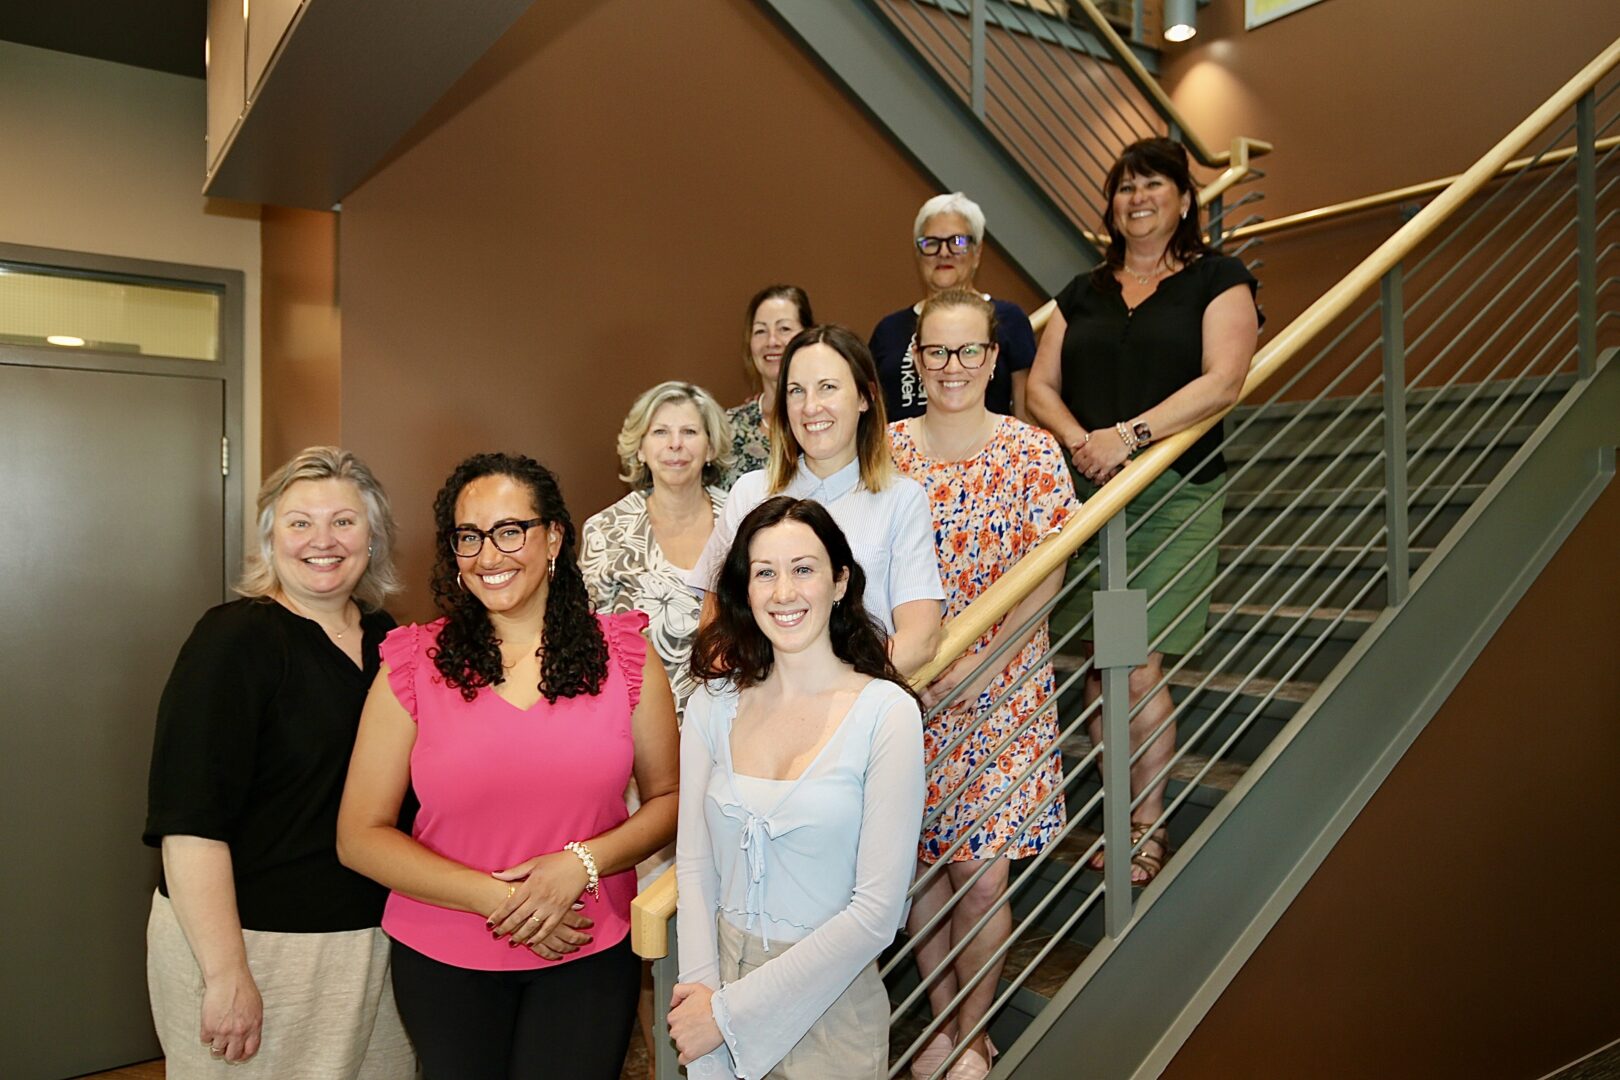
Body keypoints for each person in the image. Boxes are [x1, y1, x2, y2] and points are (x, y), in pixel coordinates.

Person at [336, 452, 680, 1080]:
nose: (489, 555)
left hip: (586, 944)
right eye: (469, 537)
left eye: (509, 530)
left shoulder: (626, 656)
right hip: (443, 952)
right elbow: (359, 835)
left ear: (553, 536)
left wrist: (580, 865)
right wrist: (506, 901)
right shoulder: (412, 663)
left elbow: (669, 801)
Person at [1027, 137, 1261, 886]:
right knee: (1105, 668)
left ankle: (1143, 826)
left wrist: (1129, 438)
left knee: (1131, 668)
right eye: (1125, 187)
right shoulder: (1083, 291)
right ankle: (1120, 813)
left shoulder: (1219, 279)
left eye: (1154, 184)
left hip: (1174, 494)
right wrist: (1080, 444)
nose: (1137, 197)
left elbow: (1225, 380)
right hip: (1091, 500)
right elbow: (1040, 386)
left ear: (1185, 199)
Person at [143, 446, 414, 1076]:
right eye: (300, 523)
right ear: (271, 541)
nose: (323, 540)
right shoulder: (232, 641)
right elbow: (189, 824)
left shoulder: (388, 639)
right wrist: (227, 972)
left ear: (372, 537)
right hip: (255, 946)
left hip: (375, 942)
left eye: (344, 521)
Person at [889, 289, 1079, 1079]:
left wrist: (980, 668)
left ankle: (972, 1033)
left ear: (996, 358)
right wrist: (912, 669)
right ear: (918, 360)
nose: (954, 366)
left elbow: (1050, 569)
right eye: (938, 351)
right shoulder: (885, 451)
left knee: (980, 870)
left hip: (1004, 693)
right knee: (922, 864)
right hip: (906, 690)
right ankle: (942, 1022)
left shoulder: (1034, 452)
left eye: (971, 350)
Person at [668, 497, 925, 1079]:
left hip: (830, 1004)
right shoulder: (713, 704)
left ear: (839, 582)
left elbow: (877, 914)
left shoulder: (886, 712)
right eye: (765, 573)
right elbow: (694, 862)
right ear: (746, 590)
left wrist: (729, 1014)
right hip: (718, 988)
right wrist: (702, 996)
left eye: (803, 568)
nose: (784, 592)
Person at [578, 380, 730, 1059]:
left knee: (717, 906)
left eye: (689, 431)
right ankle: (663, 1059)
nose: (675, 445)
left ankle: (722, 1046)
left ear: (710, 445)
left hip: (730, 743)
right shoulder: (607, 530)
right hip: (640, 754)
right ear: (640, 444)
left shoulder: (742, 516)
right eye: (662, 432)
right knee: (647, 910)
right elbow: (595, 648)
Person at [689, 324, 945, 677]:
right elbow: (714, 632)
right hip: (759, 712)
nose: (811, 407)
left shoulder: (902, 500)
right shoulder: (749, 493)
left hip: (858, 709)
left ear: (864, 397)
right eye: (796, 391)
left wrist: (829, 695)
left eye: (827, 387)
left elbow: (920, 639)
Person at [869, 192, 1038, 424]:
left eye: (957, 242)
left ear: (977, 253)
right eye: (931, 243)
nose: (944, 252)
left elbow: (1026, 409)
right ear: (918, 254)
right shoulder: (888, 329)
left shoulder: (1008, 319)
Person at [723, 285, 814, 488]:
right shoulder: (726, 429)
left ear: (808, 336)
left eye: (784, 329)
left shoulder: (825, 422)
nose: (772, 341)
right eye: (761, 331)